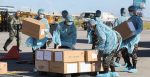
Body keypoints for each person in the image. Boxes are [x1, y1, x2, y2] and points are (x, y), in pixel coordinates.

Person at [121, 5, 143, 73]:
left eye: (130, 11)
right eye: (129, 11)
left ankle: (134, 67)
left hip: (135, 39)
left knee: (133, 53)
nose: (129, 12)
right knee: (123, 51)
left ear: (134, 11)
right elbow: (129, 28)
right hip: (128, 39)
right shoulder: (130, 19)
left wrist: (134, 32)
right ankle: (129, 65)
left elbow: (140, 28)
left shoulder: (138, 19)